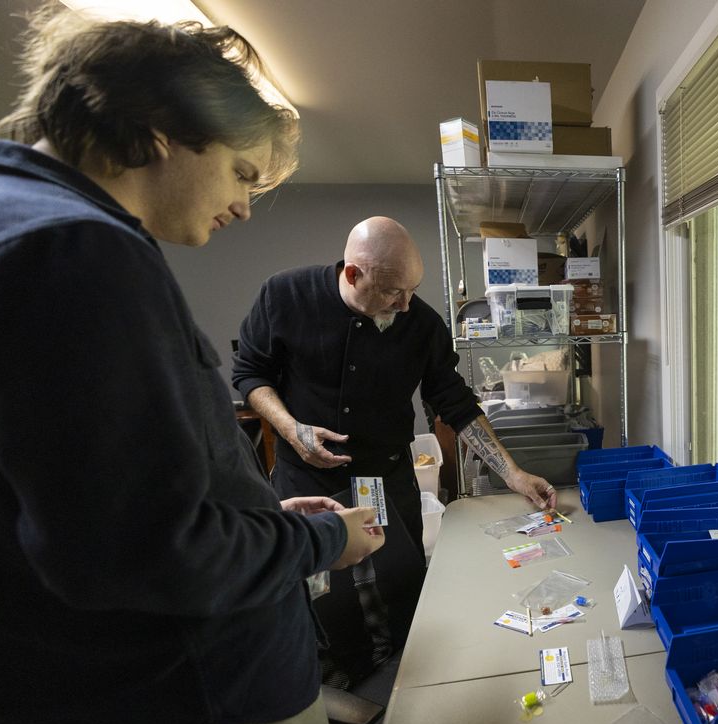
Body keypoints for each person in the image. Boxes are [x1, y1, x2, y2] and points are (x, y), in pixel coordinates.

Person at [0, 6, 384, 724]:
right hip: (206, 713)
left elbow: (104, 493)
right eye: (242, 172)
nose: (243, 207)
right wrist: (316, 538)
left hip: (114, 703)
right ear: (163, 130)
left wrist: (258, 517)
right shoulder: (79, 252)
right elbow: (142, 550)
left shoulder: (13, 216)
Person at [232, 215, 558, 687]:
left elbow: (455, 402)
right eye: (391, 292)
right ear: (352, 274)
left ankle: (407, 682)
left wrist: (514, 475)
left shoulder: (420, 324)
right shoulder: (285, 296)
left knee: (400, 584)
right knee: (326, 597)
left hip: (384, 476)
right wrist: (291, 429)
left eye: (412, 290)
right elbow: (249, 374)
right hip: (306, 479)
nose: (405, 305)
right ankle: (343, 681)